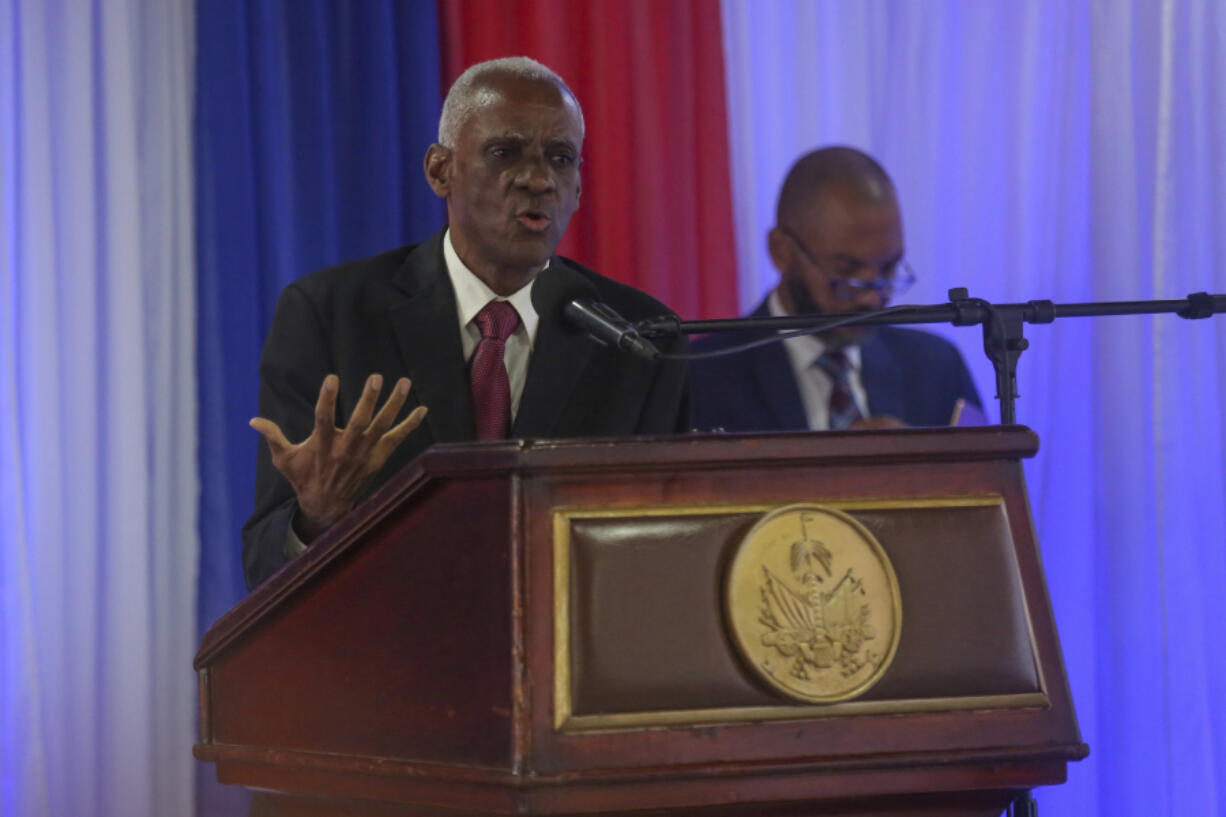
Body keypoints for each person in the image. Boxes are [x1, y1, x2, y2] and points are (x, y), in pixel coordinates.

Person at [242, 58, 689, 589]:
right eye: (505, 153)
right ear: (440, 171)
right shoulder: (329, 315)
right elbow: (264, 563)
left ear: (578, 190)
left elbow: (672, 549)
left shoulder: (638, 335)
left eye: (560, 158)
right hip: (394, 652)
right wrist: (317, 517)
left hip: (575, 652)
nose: (538, 179)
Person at [689, 146, 980, 433]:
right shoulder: (699, 378)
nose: (871, 296)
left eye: (889, 268)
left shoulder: (936, 367)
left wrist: (915, 468)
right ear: (781, 251)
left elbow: (991, 480)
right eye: (845, 271)